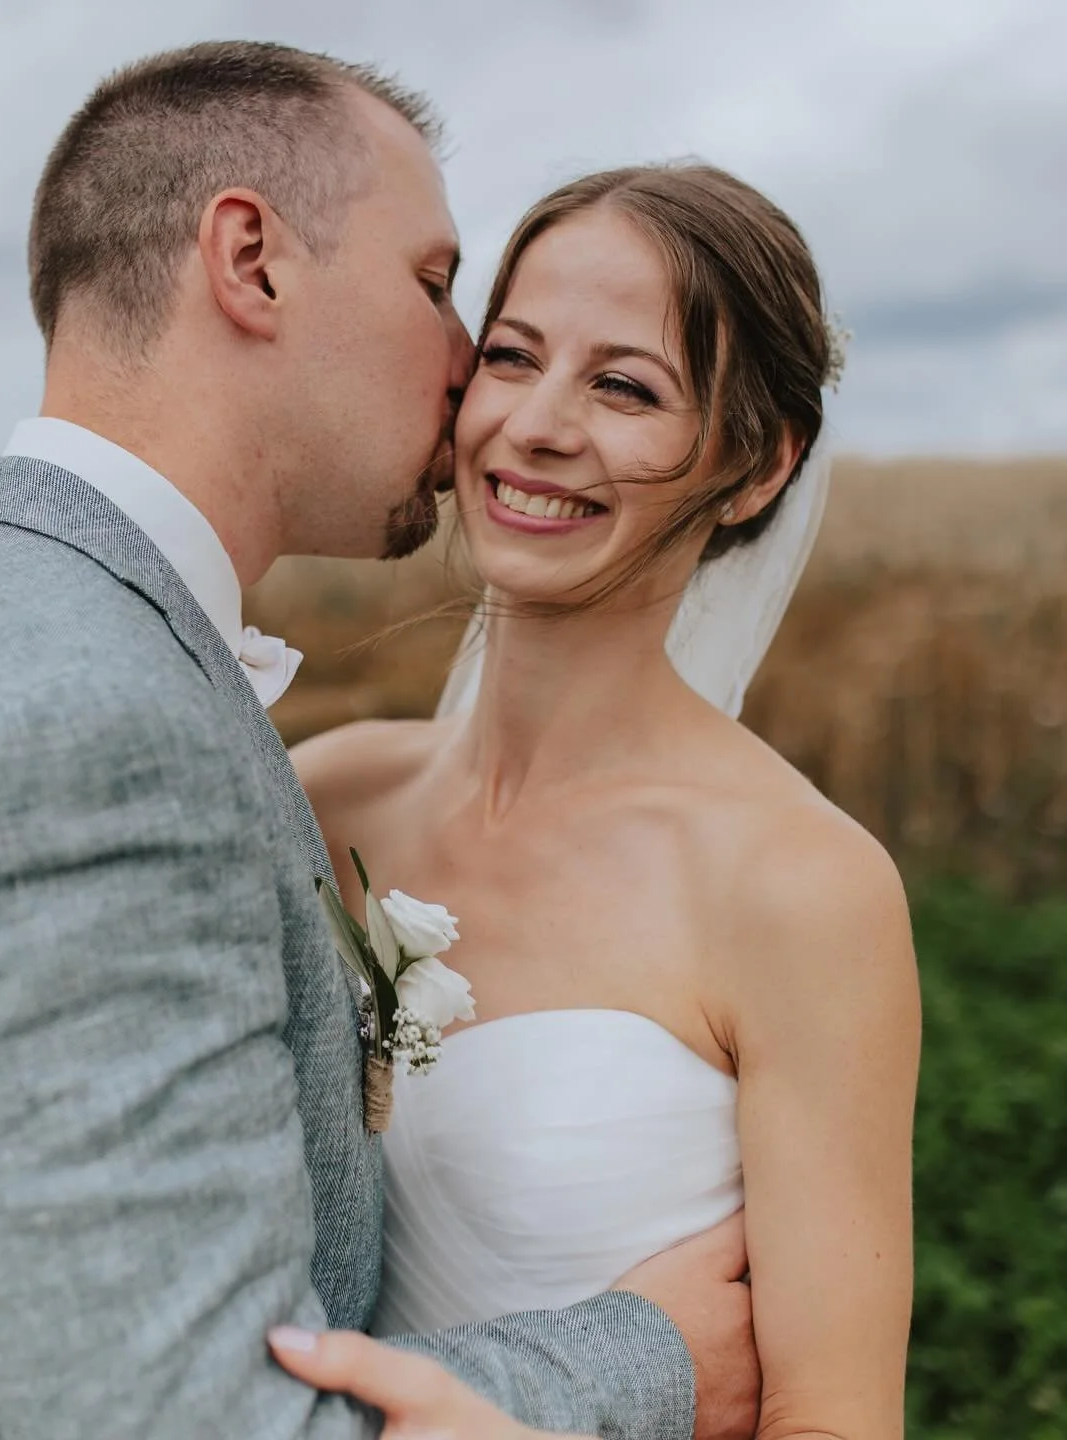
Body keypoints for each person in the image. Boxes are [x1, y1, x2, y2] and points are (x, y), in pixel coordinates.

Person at [0, 44, 756, 1440]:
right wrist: (651, 1354)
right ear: (251, 261)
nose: (467, 373)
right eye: (435, 285)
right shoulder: (82, 733)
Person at [283, 165, 921, 1438]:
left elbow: (834, 1420)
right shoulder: (323, 792)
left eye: (626, 386)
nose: (538, 425)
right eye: (513, 357)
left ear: (755, 468)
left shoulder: (800, 888)